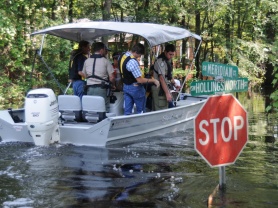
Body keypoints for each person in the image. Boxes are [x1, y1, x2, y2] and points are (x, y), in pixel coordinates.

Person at [119, 43, 160, 115]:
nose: (139, 57)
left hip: (125, 86)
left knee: (127, 111)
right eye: (140, 55)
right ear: (136, 52)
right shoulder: (132, 62)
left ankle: (127, 124)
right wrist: (153, 80)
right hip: (135, 88)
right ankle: (140, 124)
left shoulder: (123, 56)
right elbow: (140, 80)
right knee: (140, 111)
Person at [80, 42, 115, 112]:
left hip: (89, 88)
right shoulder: (106, 61)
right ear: (101, 50)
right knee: (104, 109)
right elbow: (112, 77)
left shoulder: (87, 61)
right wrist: (113, 85)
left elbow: (83, 74)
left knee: (91, 109)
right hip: (101, 88)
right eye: (105, 50)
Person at [151, 44, 180, 111]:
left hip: (165, 88)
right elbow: (161, 78)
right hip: (159, 89)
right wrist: (167, 93)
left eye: (173, 54)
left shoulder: (168, 61)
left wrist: (175, 84)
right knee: (161, 109)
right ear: (165, 52)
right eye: (170, 54)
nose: (171, 56)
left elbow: (169, 76)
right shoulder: (161, 61)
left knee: (170, 108)